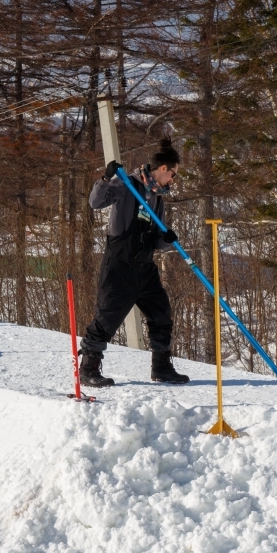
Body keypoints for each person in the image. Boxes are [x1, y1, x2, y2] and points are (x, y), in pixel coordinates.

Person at [79, 138, 190, 386]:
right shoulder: (128, 184)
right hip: (120, 264)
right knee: (107, 317)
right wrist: (105, 179)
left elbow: (156, 242)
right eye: (173, 174)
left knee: (161, 314)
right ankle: (88, 369)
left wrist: (167, 239)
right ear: (162, 169)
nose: (173, 180)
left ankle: (161, 368)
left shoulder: (157, 198)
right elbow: (96, 202)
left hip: (145, 266)